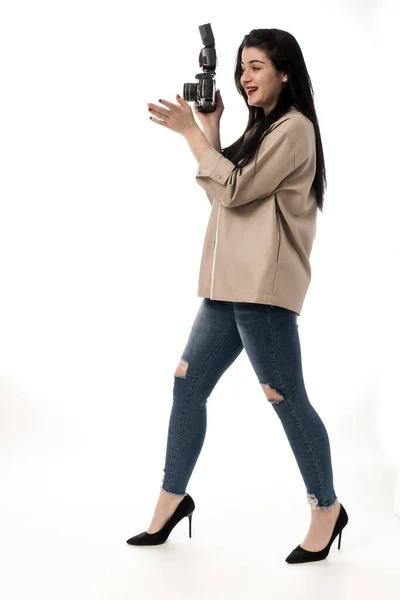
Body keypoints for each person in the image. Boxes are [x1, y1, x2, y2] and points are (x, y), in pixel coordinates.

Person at [127, 28, 349, 563]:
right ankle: (172, 499)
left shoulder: (294, 129)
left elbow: (233, 188)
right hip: (226, 285)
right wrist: (212, 129)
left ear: (285, 71)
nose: (244, 77)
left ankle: (327, 508)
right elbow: (229, 189)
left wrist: (192, 137)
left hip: (261, 290)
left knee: (284, 397)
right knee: (187, 384)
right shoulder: (263, 128)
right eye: (241, 68)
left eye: (255, 67)